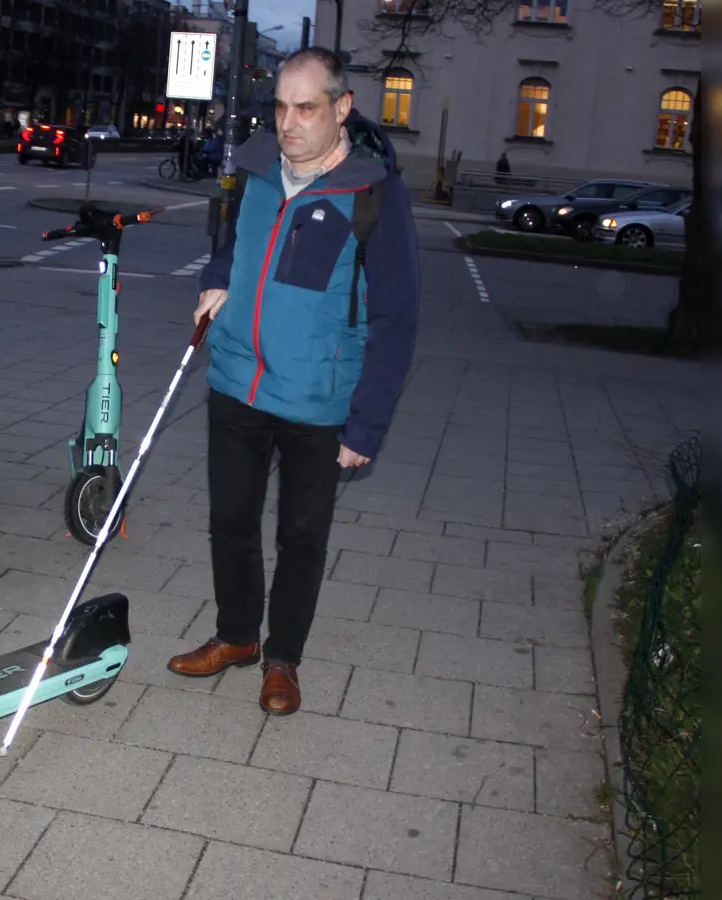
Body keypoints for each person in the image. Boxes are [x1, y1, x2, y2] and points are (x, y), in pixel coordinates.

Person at [167, 47, 421, 714]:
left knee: (301, 539)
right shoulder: (253, 174)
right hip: (237, 382)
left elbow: (396, 318)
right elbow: (230, 252)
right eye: (279, 106)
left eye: (305, 107)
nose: (288, 122)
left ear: (342, 109)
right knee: (230, 522)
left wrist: (366, 424)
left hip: (317, 398)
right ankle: (236, 637)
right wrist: (214, 281)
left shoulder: (372, 197)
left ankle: (282, 660)